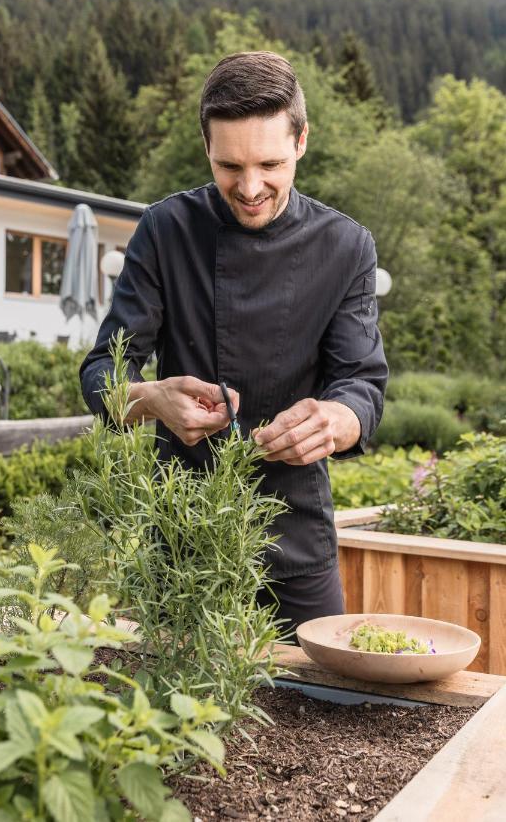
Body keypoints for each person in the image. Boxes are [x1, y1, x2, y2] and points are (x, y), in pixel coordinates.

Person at [80, 51, 388, 638]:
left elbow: (363, 385)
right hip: (182, 542)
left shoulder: (347, 246)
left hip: (296, 542)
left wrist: (335, 418)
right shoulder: (166, 230)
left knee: (325, 713)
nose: (249, 188)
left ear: (301, 142)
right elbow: (100, 371)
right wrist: (149, 399)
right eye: (229, 166)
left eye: (269, 163)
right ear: (206, 149)